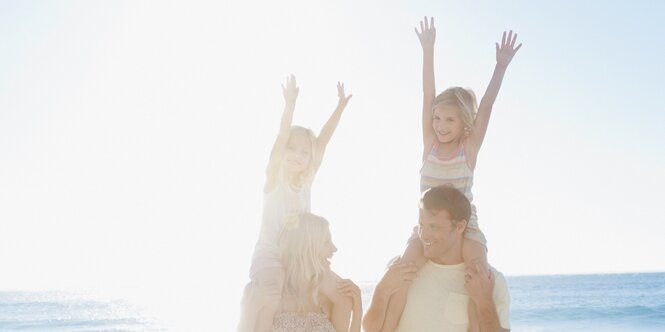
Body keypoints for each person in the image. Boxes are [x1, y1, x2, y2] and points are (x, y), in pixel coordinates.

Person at [382, 16, 522, 331]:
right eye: (438, 119)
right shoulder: (429, 143)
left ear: (463, 124)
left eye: (449, 121)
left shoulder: (467, 151)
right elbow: (427, 94)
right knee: (405, 271)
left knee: (477, 275)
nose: (441, 126)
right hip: (429, 226)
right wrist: (428, 50)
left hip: (464, 226)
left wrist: (501, 67)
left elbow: (485, 107)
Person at [238, 75, 353, 332]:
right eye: (293, 148)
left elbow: (322, 141)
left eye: (304, 152)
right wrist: (289, 105)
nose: (297, 156)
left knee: (340, 292)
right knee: (270, 292)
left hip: (300, 256)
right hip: (271, 255)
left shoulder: (306, 183)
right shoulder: (274, 181)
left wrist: (340, 108)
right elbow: (280, 138)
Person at [363, 185, 511, 332]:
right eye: (421, 225)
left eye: (434, 227)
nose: (424, 234)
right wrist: (381, 290)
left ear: (460, 227)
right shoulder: (401, 269)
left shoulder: (489, 281)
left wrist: (484, 301)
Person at [272, 212, 362, 332]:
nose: (334, 248)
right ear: (306, 247)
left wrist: (358, 312)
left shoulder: (328, 298)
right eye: (326, 242)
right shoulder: (271, 297)